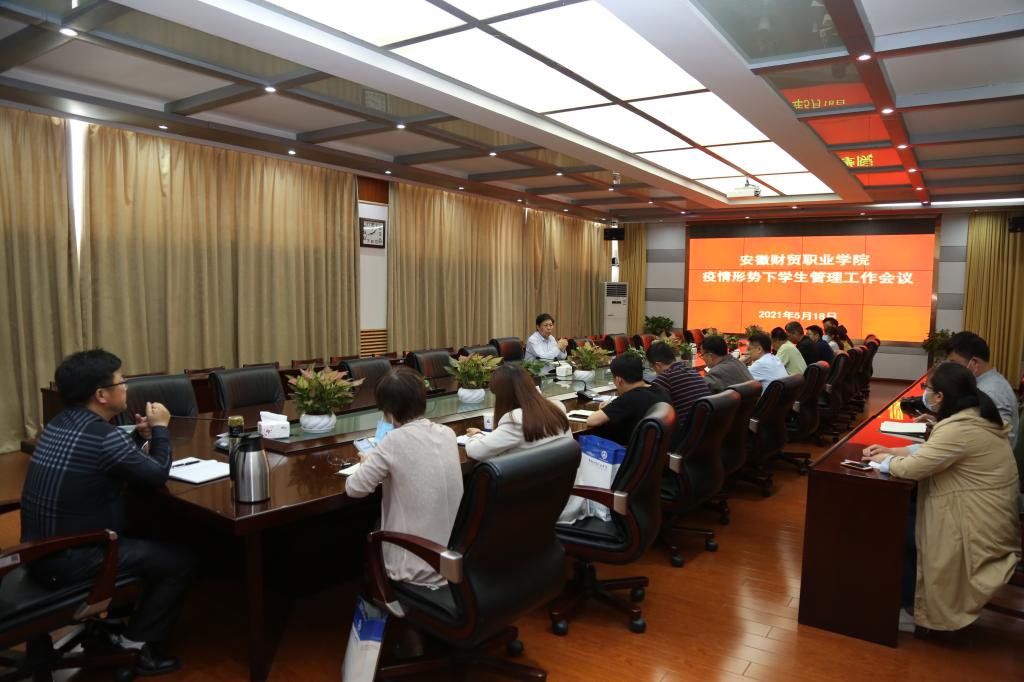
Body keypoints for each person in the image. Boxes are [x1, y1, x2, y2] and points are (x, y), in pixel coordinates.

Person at [20, 349, 196, 680]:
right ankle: (134, 645)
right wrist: (160, 429)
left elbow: (108, 458)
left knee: (148, 527)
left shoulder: (59, 423)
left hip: (36, 549)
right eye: (121, 381)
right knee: (180, 561)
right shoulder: (101, 437)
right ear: (101, 395)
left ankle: (114, 623)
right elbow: (157, 473)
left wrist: (138, 435)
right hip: (70, 558)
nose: (126, 386)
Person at [862, 362, 1020, 632]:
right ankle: (908, 599)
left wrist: (884, 460)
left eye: (928, 388)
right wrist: (892, 451)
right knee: (904, 513)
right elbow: (934, 452)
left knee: (892, 525)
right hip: (980, 512)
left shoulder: (960, 428)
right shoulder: (975, 415)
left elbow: (914, 468)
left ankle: (910, 609)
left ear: (940, 397)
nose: (925, 392)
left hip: (976, 526)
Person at [346, 367, 463, 588]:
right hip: (452, 557)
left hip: (417, 564)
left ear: (388, 411)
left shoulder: (393, 441)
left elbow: (355, 489)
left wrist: (368, 462)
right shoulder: (447, 433)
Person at [464, 364, 572, 461]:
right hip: (562, 476)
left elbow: (475, 451)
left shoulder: (515, 420)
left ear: (502, 395)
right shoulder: (557, 407)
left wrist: (476, 435)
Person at [944, 331, 1019, 448]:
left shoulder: (991, 392)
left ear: (974, 363)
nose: (952, 369)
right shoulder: (987, 381)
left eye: (954, 364)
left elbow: (1002, 441)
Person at [585, 354, 670, 446]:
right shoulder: (659, 389)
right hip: (661, 449)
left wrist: (604, 409)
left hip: (630, 451)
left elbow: (592, 420)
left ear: (619, 380)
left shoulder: (630, 398)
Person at [646, 341, 710, 425]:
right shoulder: (692, 370)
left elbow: (653, 411)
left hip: (687, 429)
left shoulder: (663, 379)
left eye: (652, 367)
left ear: (657, 365)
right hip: (707, 424)